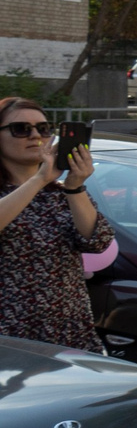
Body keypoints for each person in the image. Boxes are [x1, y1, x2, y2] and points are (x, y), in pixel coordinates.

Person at [0, 97, 108, 350]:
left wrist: (74, 186)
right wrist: (38, 179)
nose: (35, 135)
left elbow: (98, 241)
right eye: (21, 129)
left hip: (68, 328)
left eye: (43, 128)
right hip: (10, 330)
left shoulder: (59, 193)